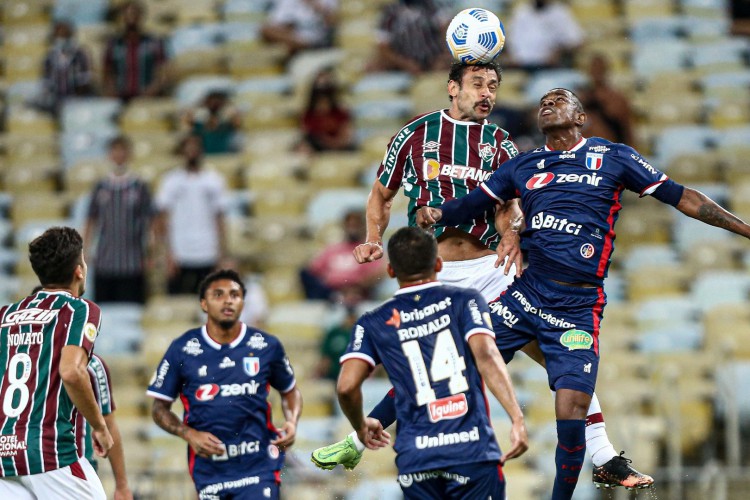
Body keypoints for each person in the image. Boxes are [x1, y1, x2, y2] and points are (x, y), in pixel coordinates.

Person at [312, 62, 646, 490]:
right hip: (438, 273)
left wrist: (512, 233)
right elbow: (382, 192)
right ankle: (358, 442)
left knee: (560, 349)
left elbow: (512, 203)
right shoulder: (415, 135)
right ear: (453, 88)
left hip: (491, 268)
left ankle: (603, 454)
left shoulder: (503, 143)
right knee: (434, 367)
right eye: (477, 84)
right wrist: (374, 237)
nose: (487, 93)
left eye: (493, 86)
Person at [415, 87, 750, 497]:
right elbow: (470, 205)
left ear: (580, 117)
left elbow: (684, 197)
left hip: (578, 304)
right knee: (451, 363)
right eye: (543, 102)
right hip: (529, 292)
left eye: (559, 99)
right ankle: (374, 438)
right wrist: (435, 212)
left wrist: (746, 229)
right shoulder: (526, 164)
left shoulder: (615, 157)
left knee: (570, 407)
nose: (547, 103)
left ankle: (588, 472)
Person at [335, 227, 528, 498]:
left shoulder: (373, 322)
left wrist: (360, 426)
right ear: (438, 264)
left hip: (416, 458)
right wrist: (516, 419)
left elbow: (346, 387)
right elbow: (487, 356)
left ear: (391, 271)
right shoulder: (465, 301)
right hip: (471, 451)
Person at [146, 269, 303, 499]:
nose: (228, 300)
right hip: (210, 472)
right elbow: (159, 409)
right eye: (218, 294)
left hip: (258, 468)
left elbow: (290, 392)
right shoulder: (182, 349)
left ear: (242, 302)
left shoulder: (266, 346)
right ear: (204, 304)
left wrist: (291, 421)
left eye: (235, 294)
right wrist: (188, 434)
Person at [0, 227, 113, 498]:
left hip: (4, 455)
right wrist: (99, 427)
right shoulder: (78, 309)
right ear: (79, 270)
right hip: (50, 453)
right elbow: (72, 372)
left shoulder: (6, 314)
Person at [84, 135, 155, 304]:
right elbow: (91, 220)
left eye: (122, 151)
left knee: (131, 310)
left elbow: (150, 222)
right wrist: (86, 250)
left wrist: (151, 252)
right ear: (109, 154)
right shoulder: (101, 187)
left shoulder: (139, 187)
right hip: (105, 263)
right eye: (115, 151)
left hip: (133, 263)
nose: (119, 155)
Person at [155, 134, 229, 295]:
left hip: (207, 252)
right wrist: (166, 253)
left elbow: (220, 218)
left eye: (195, 148)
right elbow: (162, 217)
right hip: (179, 253)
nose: (192, 152)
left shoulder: (214, 179)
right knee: (178, 303)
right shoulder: (171, 181)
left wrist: (222, 254)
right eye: (188, 148)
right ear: (182, 152)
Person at [76, 354, 133, 500]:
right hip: (72, 470)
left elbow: (108, 424)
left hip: (15, 463)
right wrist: (122, 486)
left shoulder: (92, 364)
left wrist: (122, 486)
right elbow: (107, 425)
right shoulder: (88, 363)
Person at [300, 209, 386, 306]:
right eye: (349, 225)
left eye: (355, 225)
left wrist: (354, 286)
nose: (352, 229)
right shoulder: (333, 249)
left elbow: (377, 274)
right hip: (329, 290)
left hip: (356, 291)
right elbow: (313, 269)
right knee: (304, 273)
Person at [102, 0, 169, 101]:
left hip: (147, 98)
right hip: (120, 97)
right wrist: (112, 91)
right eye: (127, 14)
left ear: (141, 16)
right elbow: (108, 71)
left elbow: (162, 71)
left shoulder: (153, 43)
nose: (131, 17)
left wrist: (152, 91)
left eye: (134, 14)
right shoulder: (114, 44)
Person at [369, 0, 452, 75]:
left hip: (434, 61)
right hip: (404, 65)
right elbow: (383, 47)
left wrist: (443, 57)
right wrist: (406, 64)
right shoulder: (390, 13)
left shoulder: (432, 7)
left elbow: (446, 31)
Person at [506, 0, 584, 71]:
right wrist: (509, 55)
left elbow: (578, 42)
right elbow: (509, 39)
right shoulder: (521, 12)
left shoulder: (560, 13)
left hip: (547, 66)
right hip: (519, 65)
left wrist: (560, 51)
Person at [38, 19, 94, 115]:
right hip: (55, 101)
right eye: (58, 36)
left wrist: (76, 102)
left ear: (71, 36)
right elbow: (46, 83)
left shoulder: (79, 55)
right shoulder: (49, 58)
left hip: (76, 101)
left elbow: (84, 81)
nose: (61, 39)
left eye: (64, 36)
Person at [579, 53, 635, 147]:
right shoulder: (583, 98)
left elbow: (627, 129)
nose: (597, 72)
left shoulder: (616, 99)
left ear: (606, 71)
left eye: (600, 69)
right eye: (594, 69)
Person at [299, 68, 356, 153]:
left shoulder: (341, 112)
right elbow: (307, 135)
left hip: (339, 147)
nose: (322, 107)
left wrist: (336, 143)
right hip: (319, 148)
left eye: (325, 103)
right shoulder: (308, 115)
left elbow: (346, 134)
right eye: (320, 103)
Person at [260, 0, 339, 58]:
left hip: (320, 38)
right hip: (296, 37)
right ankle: (305, 47)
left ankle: (307, 47)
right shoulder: (287, 2)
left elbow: (333, 23)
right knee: (266, 30)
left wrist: (316, 6)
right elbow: (280, 23)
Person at [181, 90, 242, 155]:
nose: (214, 103)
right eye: (211, 102)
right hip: (205, 158)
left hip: (223, 158)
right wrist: (200, 104)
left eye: (217, 102)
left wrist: (227, 104)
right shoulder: (199, 126)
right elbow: (186, 119)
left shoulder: (225, 126)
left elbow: (237, 120)